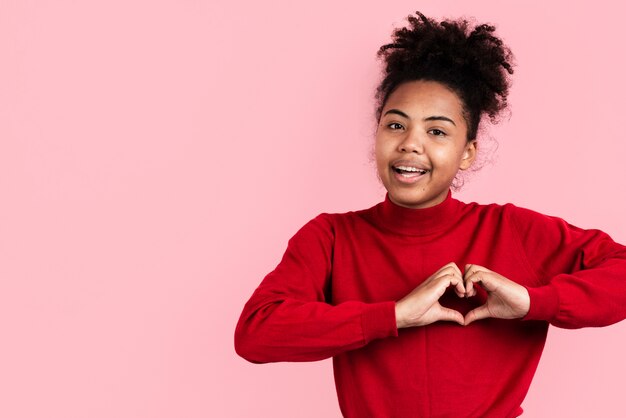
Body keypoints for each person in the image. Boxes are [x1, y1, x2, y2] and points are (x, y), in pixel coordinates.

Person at [234, 11, 626, 418]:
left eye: (436, 131)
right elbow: (256, 332)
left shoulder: (511, 230)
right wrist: (394, 314)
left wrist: (533, 302)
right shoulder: (332, 237)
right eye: (395, 126)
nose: (410, 145)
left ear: (467, 152)